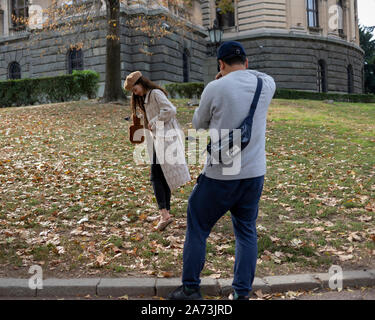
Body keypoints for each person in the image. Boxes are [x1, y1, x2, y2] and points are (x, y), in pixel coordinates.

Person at [168, 41, 276, 300]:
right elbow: (256, 78)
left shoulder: (215, 87)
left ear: (220, 64)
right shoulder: (267, 84)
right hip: (253, 174)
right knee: (247, 231)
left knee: (197, 226)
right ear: (247, 62)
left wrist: (219, 81)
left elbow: (198, 123)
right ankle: (241, 293)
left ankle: (191, 289)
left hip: (220, 174)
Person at [124, 71, 191, 231]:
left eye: (135, 89)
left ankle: (164, 215)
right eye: (133, 91)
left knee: (155, 176)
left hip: (167, 139)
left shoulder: (155, 93)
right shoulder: (146, 99)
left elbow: (170, 110)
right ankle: (165, 211)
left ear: (141, 83)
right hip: (159, 139)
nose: (136, 93)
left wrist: (153, 121)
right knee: (162, 176)